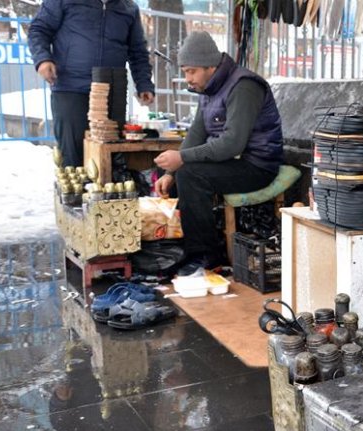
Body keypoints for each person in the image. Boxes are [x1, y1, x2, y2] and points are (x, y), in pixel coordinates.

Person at [153, 31, 283, 276]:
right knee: (176, 173)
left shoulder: (244, 86)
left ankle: (208, 257)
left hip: (258, 165)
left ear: (210, 67)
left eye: (191, 71)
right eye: (184, 71)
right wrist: (170, 171)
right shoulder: (209, 90)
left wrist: (182, 160)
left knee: (190, 173)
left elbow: (232, 143)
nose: (187, 78)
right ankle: (187, 250)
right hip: (233, 162)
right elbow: (195, 135)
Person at [28, 0, 156, 167]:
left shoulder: (129, 8)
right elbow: (38, 29)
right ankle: (74, 193)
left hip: (111, 92)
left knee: (110, 157)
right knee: (73, 157)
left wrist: (144, 83)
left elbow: (137, 50)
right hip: (71, 88)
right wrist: (43, 59)